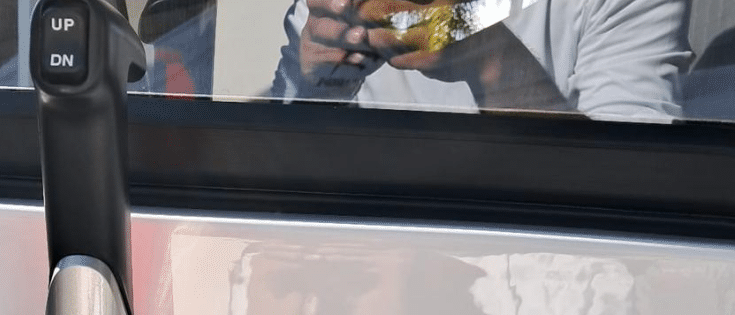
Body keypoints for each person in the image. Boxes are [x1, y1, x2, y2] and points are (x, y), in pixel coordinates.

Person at [272, 0, 690, 120]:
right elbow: (280, 170)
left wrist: (496, 64)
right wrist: (320, 87)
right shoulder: (329, 6)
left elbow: (635, 192)